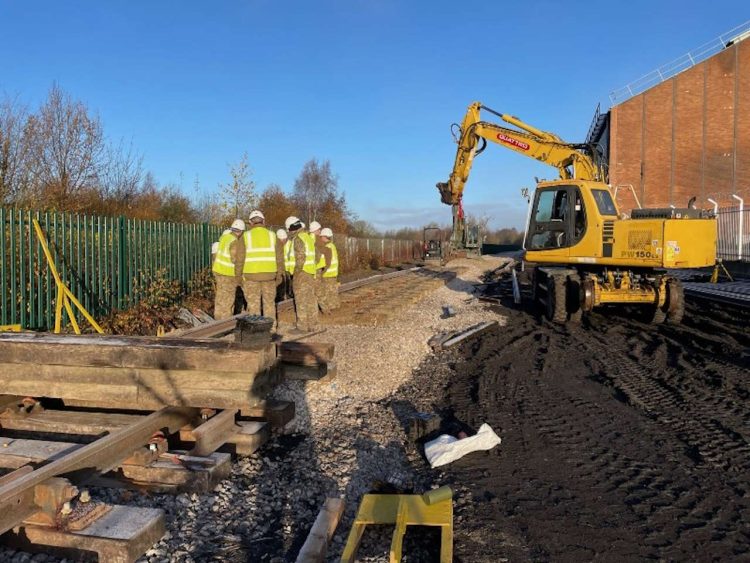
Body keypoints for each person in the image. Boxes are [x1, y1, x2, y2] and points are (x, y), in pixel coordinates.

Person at [241, 210, 281, 328]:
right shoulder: (272, 236)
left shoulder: (245, 237)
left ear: (250, 222)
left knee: (253, 305)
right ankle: (272, 328)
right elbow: (280, 258)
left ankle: (257, 330)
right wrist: (279, 274)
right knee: (269, 303)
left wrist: (238, 276)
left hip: (250, 276)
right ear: (264, 221)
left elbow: (239, 259)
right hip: (269, 276)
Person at [284, 215, 318, 333]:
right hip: (309, 272)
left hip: (301, 273)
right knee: (310, 299)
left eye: (288, 229)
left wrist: (296, 274)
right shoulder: (307, 237)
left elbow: (300, 258)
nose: (288, 232)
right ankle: (313, 324)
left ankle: (302, 326)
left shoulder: (298, 239)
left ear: (292, 228)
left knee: (301, 300)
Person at [212, 219, 245, 320]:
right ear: (240, 231)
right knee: (228, 300)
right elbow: (235, 259)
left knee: (220, 297)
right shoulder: (234, 241)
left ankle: (217, 320)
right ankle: (225, 324)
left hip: (218, 271)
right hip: (228, 274)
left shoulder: (224, 238)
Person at [315, 227, 340, 313]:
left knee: (327, 292)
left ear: (325, 236)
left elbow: (322, 261)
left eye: (321, 236)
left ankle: (331, 309)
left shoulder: (327, 247)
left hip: (327, 273)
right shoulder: (332, 245)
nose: (320, 238)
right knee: (333, 291)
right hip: (333, 273)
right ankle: (336, 306)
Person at [276, 229, 289, 300]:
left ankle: (285, 297)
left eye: (284, 239)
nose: (283, 241)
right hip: (280, 269)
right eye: (281, 240)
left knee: (287, 286)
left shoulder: (290, 244)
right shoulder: (276, 245)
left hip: (288, 270)